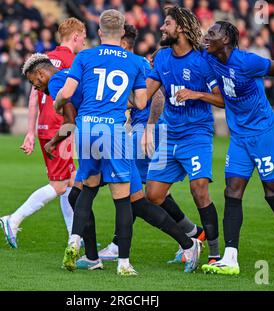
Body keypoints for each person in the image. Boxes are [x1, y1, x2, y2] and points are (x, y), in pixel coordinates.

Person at [201, 21, 274, 275]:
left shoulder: (247, 62)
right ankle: (230, 258)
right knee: (232, 190)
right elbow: (184, 47)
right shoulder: (208, 56)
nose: (206, 37)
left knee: (271, 193)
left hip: (263, 132)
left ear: (227, 40)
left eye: (212, 33)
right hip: (239, 136)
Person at [97, 24, 206, 265]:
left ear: (123, 42)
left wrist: (147, 128)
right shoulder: (133, 63)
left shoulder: (138, 64)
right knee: (152, 193)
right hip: (145, 131)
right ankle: (192, 234)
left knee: (131, 191)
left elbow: (156, 96)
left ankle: (118, 245)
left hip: (147, 133)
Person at [54, 9, 147, 276]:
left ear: (99, 31)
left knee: (87, 189)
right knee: (121, 198)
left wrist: (59, 103)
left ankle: (74, 243)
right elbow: (141, 102)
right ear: (122, 32)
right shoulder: (135, 62)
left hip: (86, 128)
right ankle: (123, 264)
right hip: (113, 131)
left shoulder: (84, 56)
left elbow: (67, 93)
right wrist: (120, 101)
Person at [142, 6, 223, 266]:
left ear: (180, 28)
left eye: (167, 24)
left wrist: (196, 93)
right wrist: (123, 101)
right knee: (153, 195)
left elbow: (222, 99)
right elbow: (144, 95)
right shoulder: (163, 58)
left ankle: (214, 254)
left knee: (199, 189)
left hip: (197, 133)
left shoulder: (203, 60)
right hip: (170, 133)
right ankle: (193, 234)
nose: (162, 28)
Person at [0, 18, 87, 249]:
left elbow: (33, 97)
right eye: (84, 37)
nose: (84, 42)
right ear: (76, 36)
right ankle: (13, 219)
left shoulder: (43, 60)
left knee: (70, 182)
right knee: (59, 185)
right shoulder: (73, 61)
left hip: (44, 126)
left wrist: (30, 131)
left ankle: (73, 239)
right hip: (61, 126)